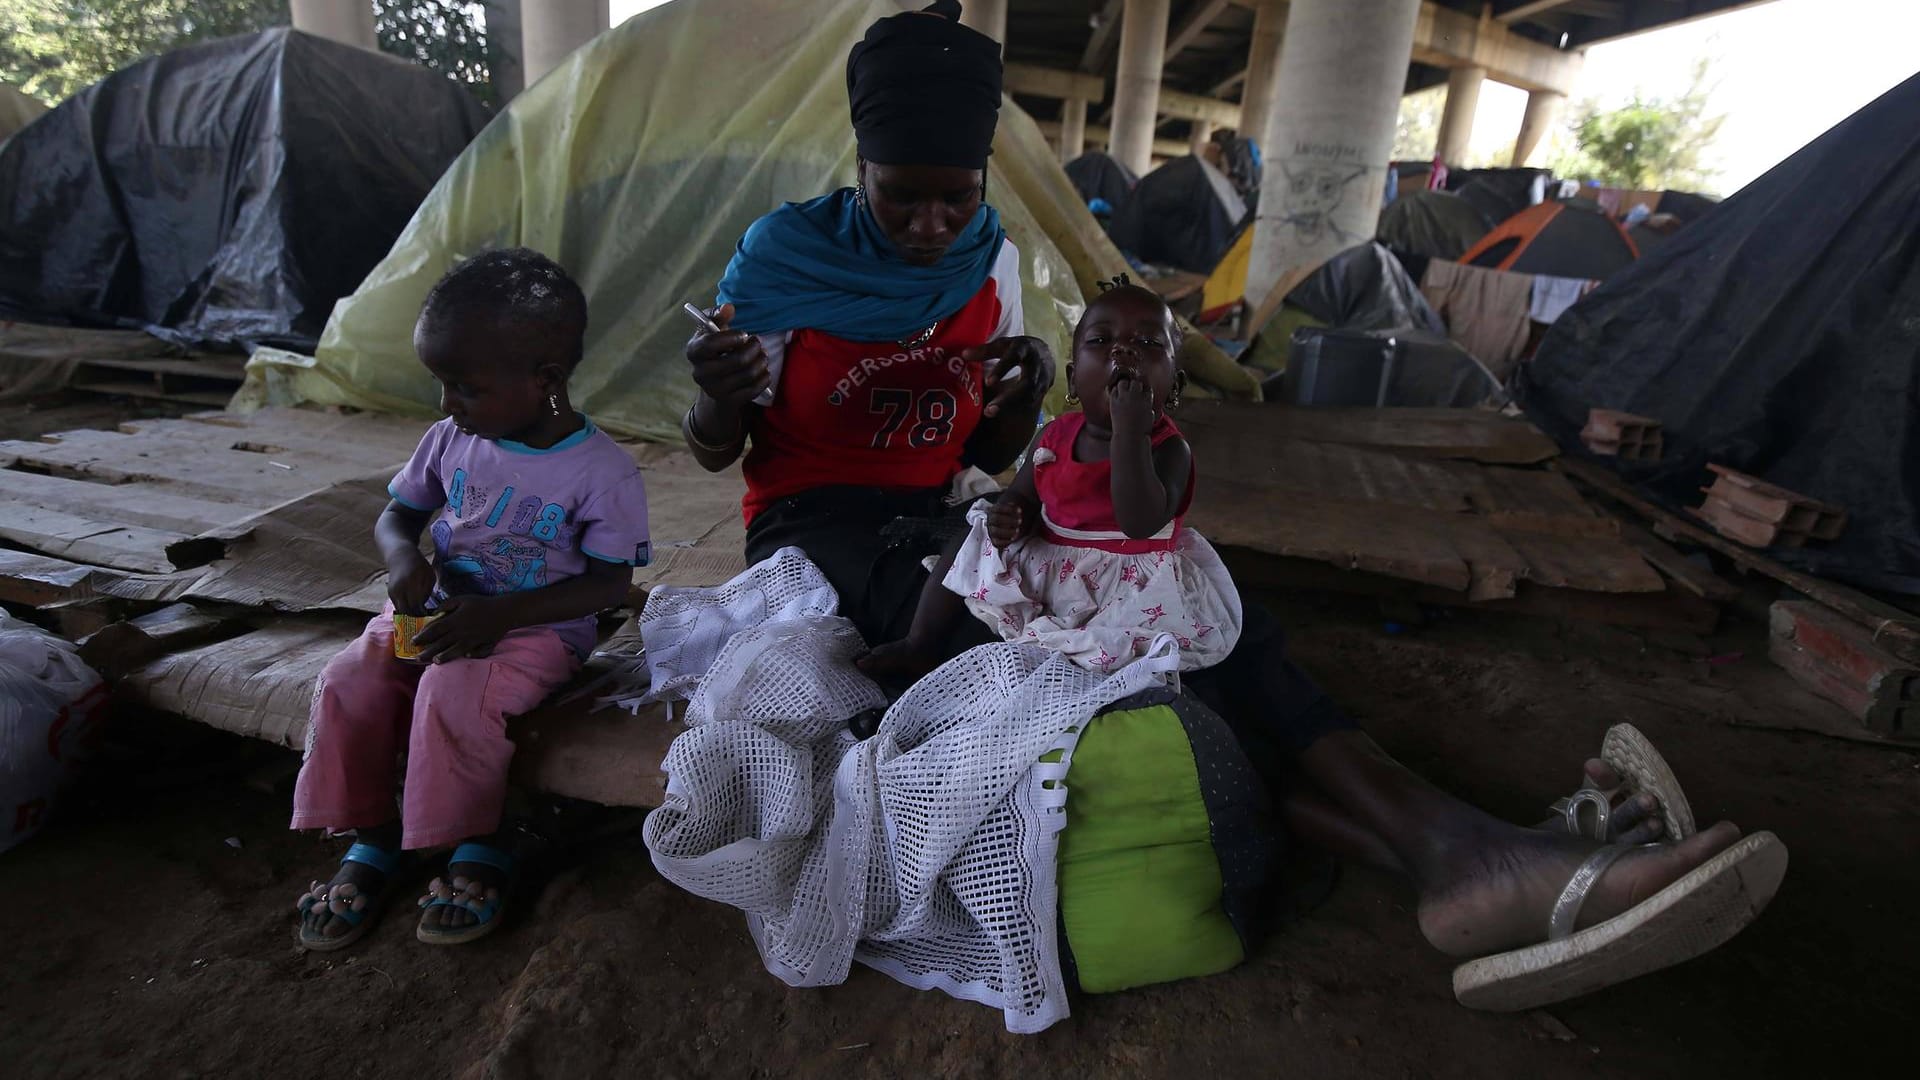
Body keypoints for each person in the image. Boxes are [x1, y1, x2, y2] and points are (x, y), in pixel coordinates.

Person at [680, 0, 1778, 1007]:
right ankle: (1454, 853)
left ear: (982, 183)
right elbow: (720, 450)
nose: (927, 223)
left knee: (1168, 602)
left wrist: (1010, 411)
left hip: (949, 507)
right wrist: (711, 398)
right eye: (899, 194)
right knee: (1029, 645)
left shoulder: (984, 263)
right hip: (814, 527)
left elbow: (989, 450)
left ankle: (1456, 848)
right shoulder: (782, 258)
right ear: (858, 165)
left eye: (952, 195)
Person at [291, 249, 651, 950]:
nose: (447, 404)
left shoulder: (601, 473)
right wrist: (401, 558)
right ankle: (374, 835)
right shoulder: (452, 439)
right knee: (348, 682)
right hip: (440, 612)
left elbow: (609, 586)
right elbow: (397, 516)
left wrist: (504, 614)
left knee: (456, 694)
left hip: (536, 629)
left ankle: (476, 840)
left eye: (463, 387)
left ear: (544, 381)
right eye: (443, 384)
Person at [861, 277, 1242, 678]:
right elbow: (1023, 494)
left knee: (1109, 656)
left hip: (1124, 581)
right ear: (1074, 380)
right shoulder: (1055, 435)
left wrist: (1131, 433)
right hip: (1051, 558)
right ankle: (921, 642)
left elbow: (1139, 521)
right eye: (1101, 340)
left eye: (1148, 343)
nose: (1123, 350)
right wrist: (1011, 513)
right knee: (970, 536)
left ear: (1176, 388)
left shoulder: (1167, 449)